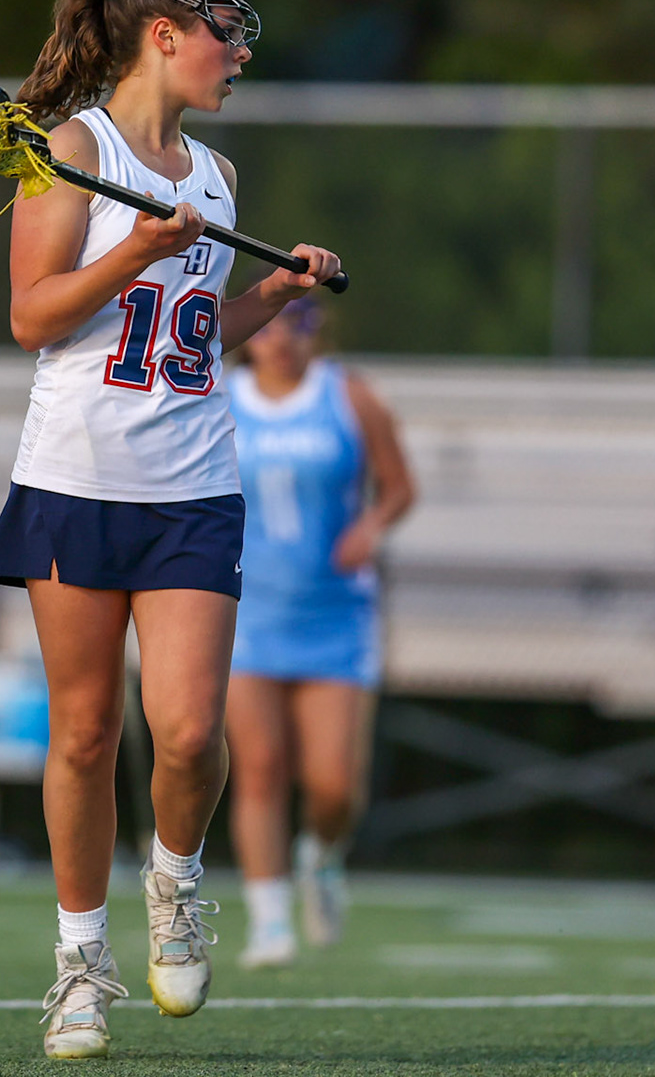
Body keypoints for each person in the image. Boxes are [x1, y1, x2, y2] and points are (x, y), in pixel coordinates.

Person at [0, 0, 339, 1059]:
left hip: (192, 487)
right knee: (86, 731)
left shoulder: (217, 176)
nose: (239, 56)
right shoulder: (69, 152)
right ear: (164, 34)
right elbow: (34, 319)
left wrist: (269, 296)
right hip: (77, 481)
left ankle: (175, 882)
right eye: (227, 33)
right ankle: (80, 966)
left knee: (185, 733)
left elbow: (187, 344)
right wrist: (135, 246)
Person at [225, 296, 414, 967]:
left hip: (335, 614)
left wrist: (370, 527)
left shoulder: (350, 397)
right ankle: (269, 920)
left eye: (297, 326)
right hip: (248, 611)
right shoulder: (220, 397)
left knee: (334, 784)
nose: (281, 341)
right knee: (259, 769)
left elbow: (398, 487)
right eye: (269, 326)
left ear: (317, 333)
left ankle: (321, 857)